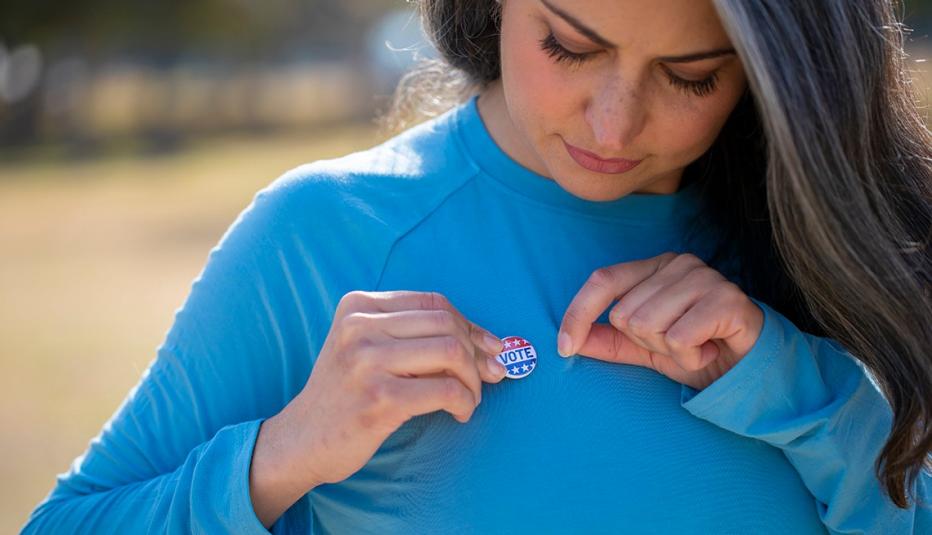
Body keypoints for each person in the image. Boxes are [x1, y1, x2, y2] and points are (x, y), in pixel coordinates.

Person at [21, 0, 932, 533]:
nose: (613, 126)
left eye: (691, 75)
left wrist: (799, 387)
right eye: (571, 48)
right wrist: (285, 452)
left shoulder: (837, 236)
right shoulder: (323, 237)